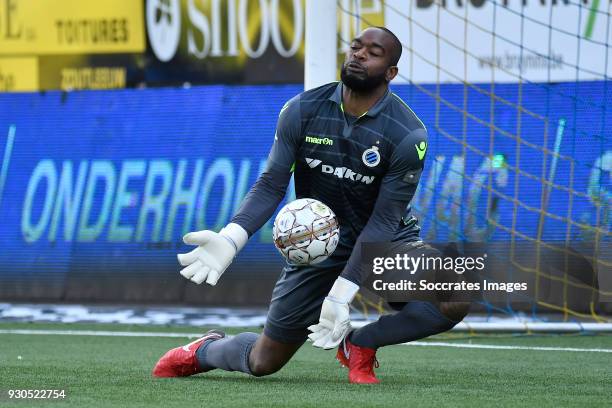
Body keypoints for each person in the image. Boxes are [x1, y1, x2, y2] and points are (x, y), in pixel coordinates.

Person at [152, 26, 469, 384]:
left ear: (391, 72)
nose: (359, 54)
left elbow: (383, 219)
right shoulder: (302, 110)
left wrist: (342, 292)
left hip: (384, 243)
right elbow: (271, 183)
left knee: (455, 288)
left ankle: (361, 344)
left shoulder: (407, 133)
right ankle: (206, 349)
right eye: (355, 46)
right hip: (315, 245)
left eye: (374, 52)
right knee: (263, 361)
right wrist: (231, 237)